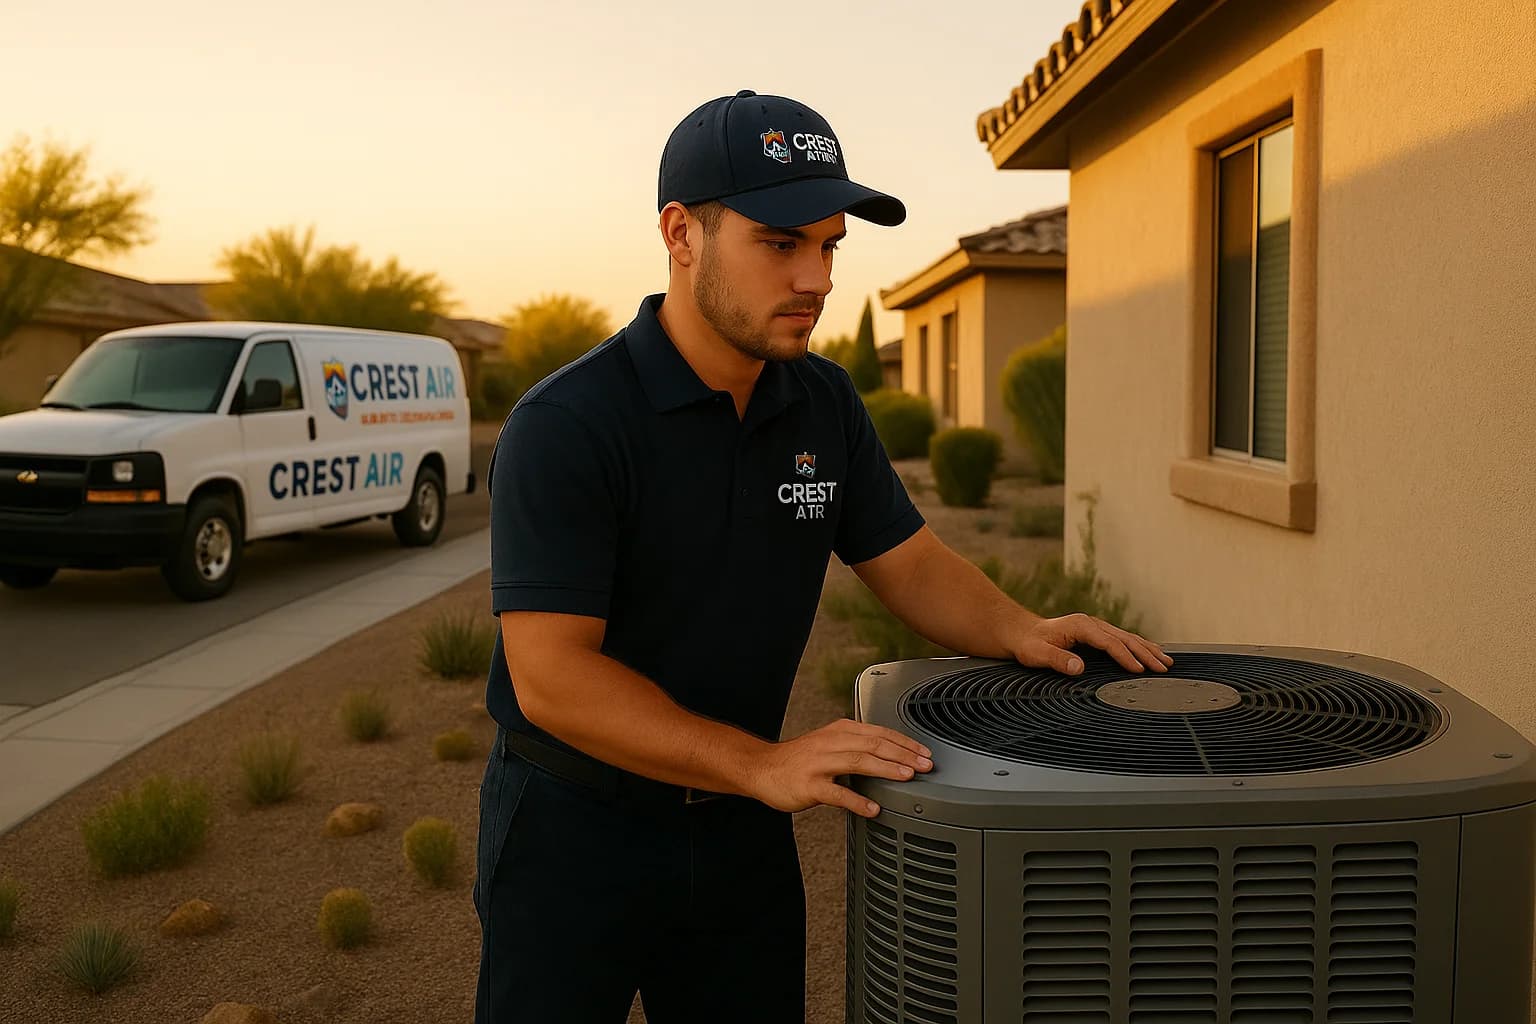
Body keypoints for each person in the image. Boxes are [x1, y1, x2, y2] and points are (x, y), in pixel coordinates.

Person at [472, 89, 1173, 1024]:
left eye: (830, 244)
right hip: (572, 830)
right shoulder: (567, 426)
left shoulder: (823, 404)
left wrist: (1023, 628)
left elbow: (910, 563)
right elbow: (552, 675)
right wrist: (760, 762)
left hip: (738, 827)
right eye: (781, 243)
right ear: (682, 234)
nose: (818, 279)